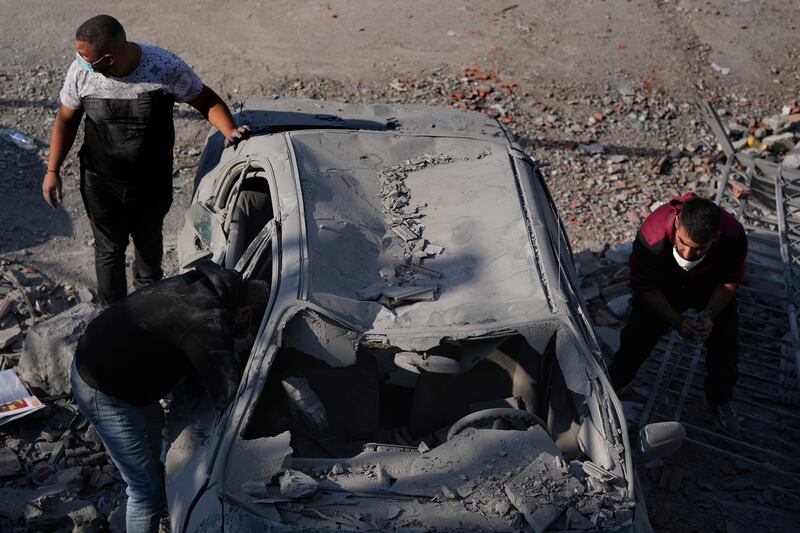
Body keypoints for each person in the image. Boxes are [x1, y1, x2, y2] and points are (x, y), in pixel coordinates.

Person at [42, 14, 250, 305]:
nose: (79, 60)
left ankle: (147, 309)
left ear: (110, 58)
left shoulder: (163, 67)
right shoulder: (82, 73)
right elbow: (66, 119)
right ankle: (110, 313)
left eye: (85, 56)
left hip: (151, 184)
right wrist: (52, 169)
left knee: (149, 247)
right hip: (100, 182)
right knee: (108, 250)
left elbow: (205, 100)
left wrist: (229, 130)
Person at [70, 262, 269, 532]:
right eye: (248, 325)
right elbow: (228, 394)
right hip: (103, 388)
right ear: (244, 312)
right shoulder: (206, 320)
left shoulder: (212, 284)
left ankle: (148, 511)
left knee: (152, 458)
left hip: (118, 366)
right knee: (144, 491)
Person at [608, 193, 748, 435]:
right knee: (636, 338)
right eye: (682, 242)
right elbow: (643, 286)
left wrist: (709, 315)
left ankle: (719, 399)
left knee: (726, 346)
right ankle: (613, 385)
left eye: (697, 249)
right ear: (676, 224)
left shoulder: (733, 236)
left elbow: (730, 281)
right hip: (663, 286)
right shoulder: (652, 236)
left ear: (715, 239)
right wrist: (674, 320)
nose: (686, 253)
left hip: (709, 286)